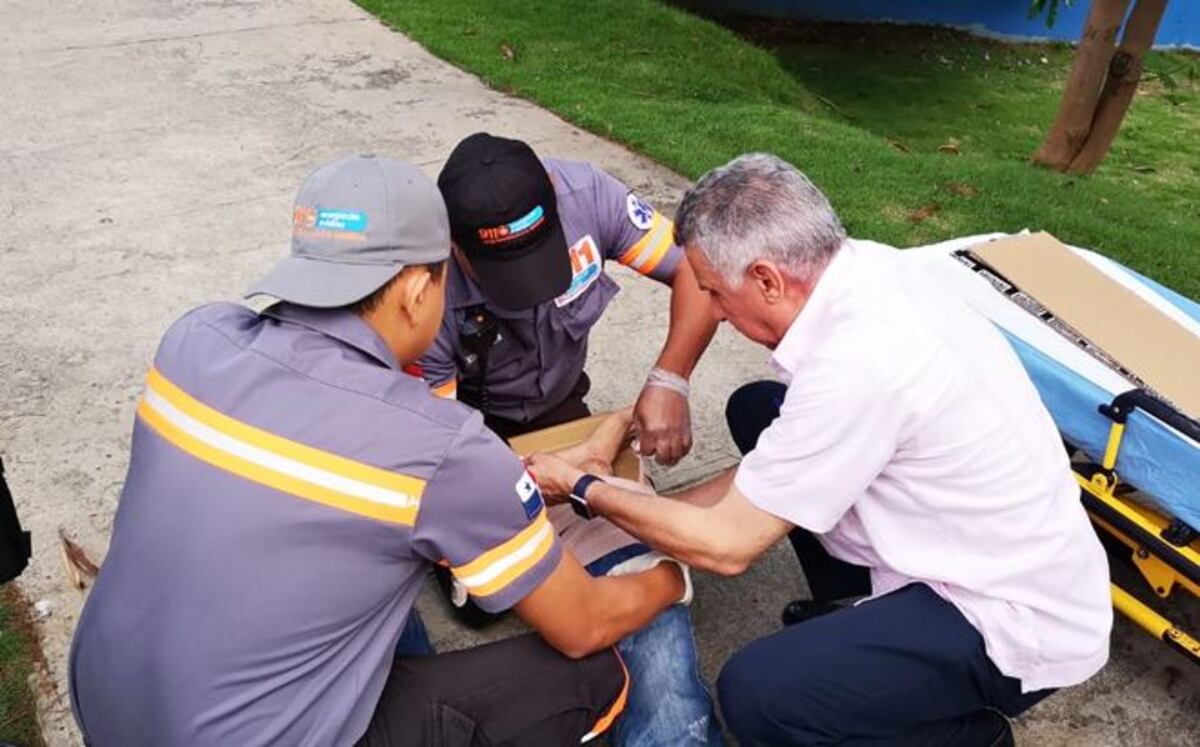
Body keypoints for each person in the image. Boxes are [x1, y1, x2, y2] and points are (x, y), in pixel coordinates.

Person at [69, 155, 691, 746]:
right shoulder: (437, 447)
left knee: (383, 601)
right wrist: (671, 572)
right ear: (419, 291)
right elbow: (584, 624)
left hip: (107, 708)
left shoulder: (192, 342)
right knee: (590, 679)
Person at [528, 153, 1114, 746]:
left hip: (1006, 619)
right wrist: (640, 505)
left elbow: (728, 546)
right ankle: (859, 608)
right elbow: (775, 471)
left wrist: (587, 490)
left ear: (766, 280)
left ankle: (965, 735)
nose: (718, 315)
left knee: (758, 695)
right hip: (987, 543)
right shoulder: (870, 268)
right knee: (761, 408)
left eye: (714, 293)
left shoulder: (860, 363)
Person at [420, 132, 718, 465]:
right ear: (451, 243)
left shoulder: (588, 195)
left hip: (558, 401)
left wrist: (670, 380)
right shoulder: (422, 285)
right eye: (502, 272)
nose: (529, 291)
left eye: (538, 255)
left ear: (553, 190)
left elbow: (696, 270)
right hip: (469, 417)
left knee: (621, 500)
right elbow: (441, 447)